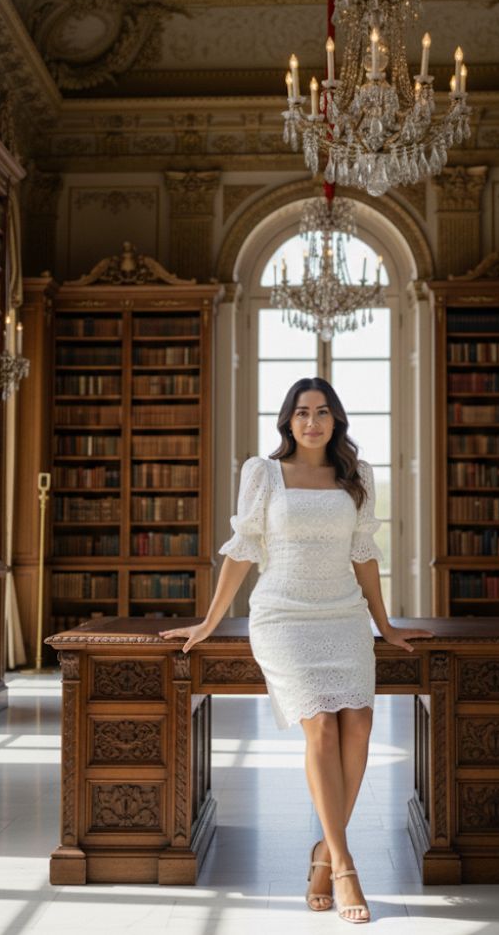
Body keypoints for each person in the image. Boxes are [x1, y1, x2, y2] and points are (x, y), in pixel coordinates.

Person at [160, 377, 433, 925]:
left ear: (336, 421)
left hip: (344, 614)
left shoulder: (357, 476)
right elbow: (242, 550)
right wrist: (212, 619)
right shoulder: (262, 473)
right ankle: (345, 866)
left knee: (359, 725)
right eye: (303, 412)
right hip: (283, 615)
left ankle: (323, 854)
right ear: (287, 421)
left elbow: (363, 553)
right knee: (322, 729)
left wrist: (386, 624)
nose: (313, 422)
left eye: (323, 412)